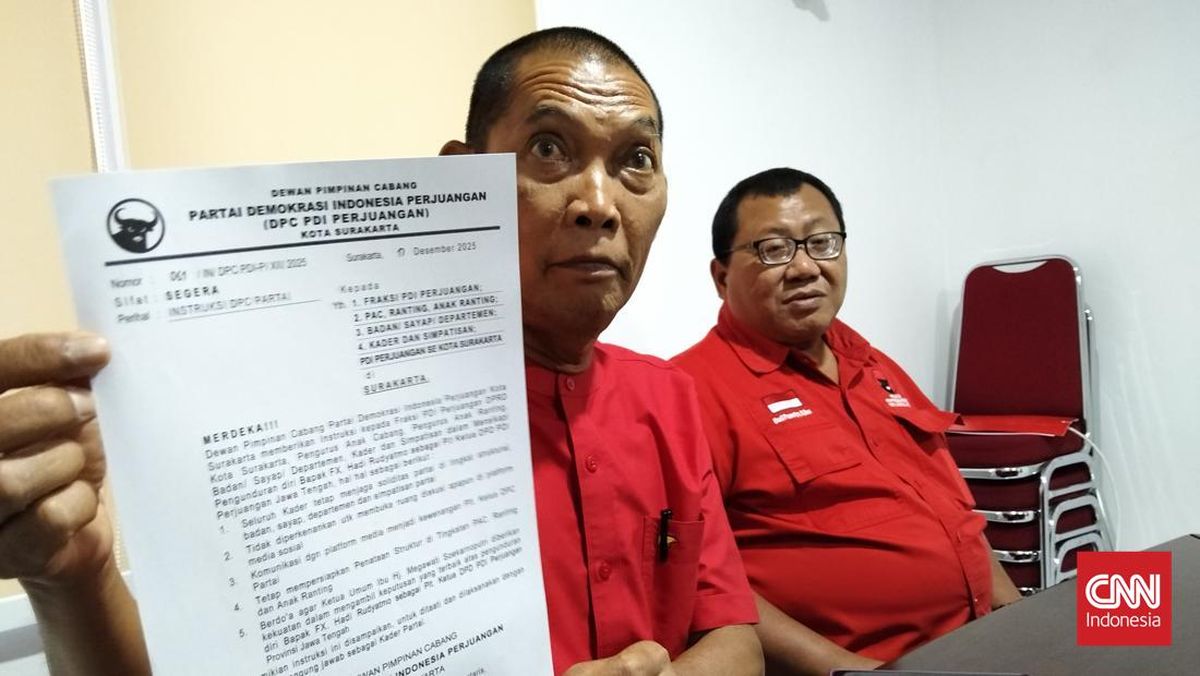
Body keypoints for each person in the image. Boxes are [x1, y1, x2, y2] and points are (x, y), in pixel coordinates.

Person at [0, 28, 761, 676]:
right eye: (549, 148)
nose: (598, 205)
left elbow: (735, 636)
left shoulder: (667, 396)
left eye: (635, 159)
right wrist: (75, 577)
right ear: (463, 177)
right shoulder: (329, 429)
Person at [672, 167, 1021, 675]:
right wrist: (850, 670)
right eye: (774, 249)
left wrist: (1017, 618)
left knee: (1135, 615)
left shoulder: (869, 361)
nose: (805, 267)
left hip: (979, 644)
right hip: (874, 666)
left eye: (822, 243)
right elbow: (703, 583)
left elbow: (951, 512)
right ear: (721, 277)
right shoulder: (691, 391)